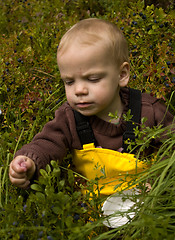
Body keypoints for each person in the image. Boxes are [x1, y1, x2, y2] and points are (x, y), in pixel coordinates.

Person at [9, 18, 174, 194]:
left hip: (147, 204)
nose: (79, 90)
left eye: (93, 79)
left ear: (122, 74)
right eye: (69, 81)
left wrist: (158, 183)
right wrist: (30, 161)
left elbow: (172, 147)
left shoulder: (150, 111)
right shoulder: (69, 118)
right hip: (91, 211)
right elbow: (47, 143)